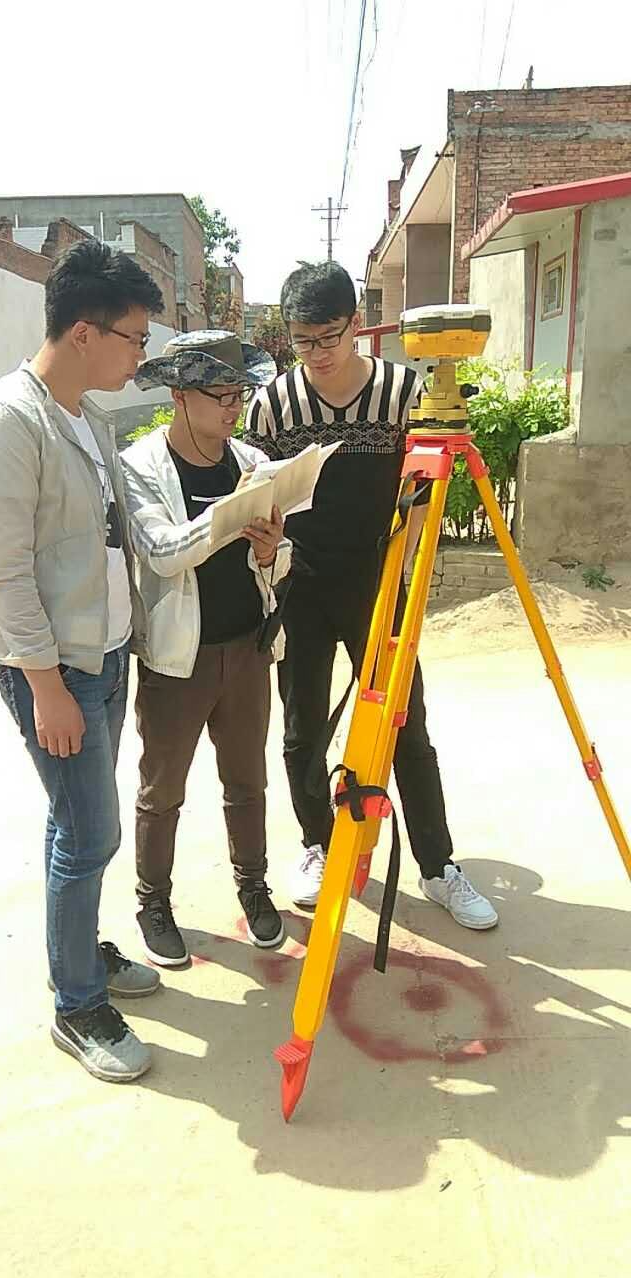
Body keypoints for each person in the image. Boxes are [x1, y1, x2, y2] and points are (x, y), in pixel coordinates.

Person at [0, 239, 165, 1084]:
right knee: (91, 831)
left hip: (103, 653)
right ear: (84, 331)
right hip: (55, 668)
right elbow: (0, 576)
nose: (139, 356)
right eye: (133, 338)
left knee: (74, 822)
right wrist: (47, 689)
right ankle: (77, 1005)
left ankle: (75, 951)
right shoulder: (9, 422)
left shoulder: (87, 416)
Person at [244, 261, 498, 930]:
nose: (317, 354)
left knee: (407, 727)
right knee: (302, 728)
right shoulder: (272, 405)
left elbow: (422, 492)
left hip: (378, 582)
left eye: (328, 337)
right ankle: (319, 845)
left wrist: (401, 569)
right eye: (302, 341)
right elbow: (256, 492)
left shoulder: (402, 393)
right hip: (299, 585)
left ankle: (438, 866)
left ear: (356, 325)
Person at [122, 330, 291, 966]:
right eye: (219, 395)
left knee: (247, 780)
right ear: (178, 395)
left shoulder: (250, 460)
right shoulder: (140, 467)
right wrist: (228, 518)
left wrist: (270, 550)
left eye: (239, 393)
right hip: (177, 660)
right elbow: (162, 553)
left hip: (247, 648)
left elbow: (279, 561)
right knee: (162, 788)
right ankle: (153, 902)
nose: (232, 407)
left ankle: (254, 885)